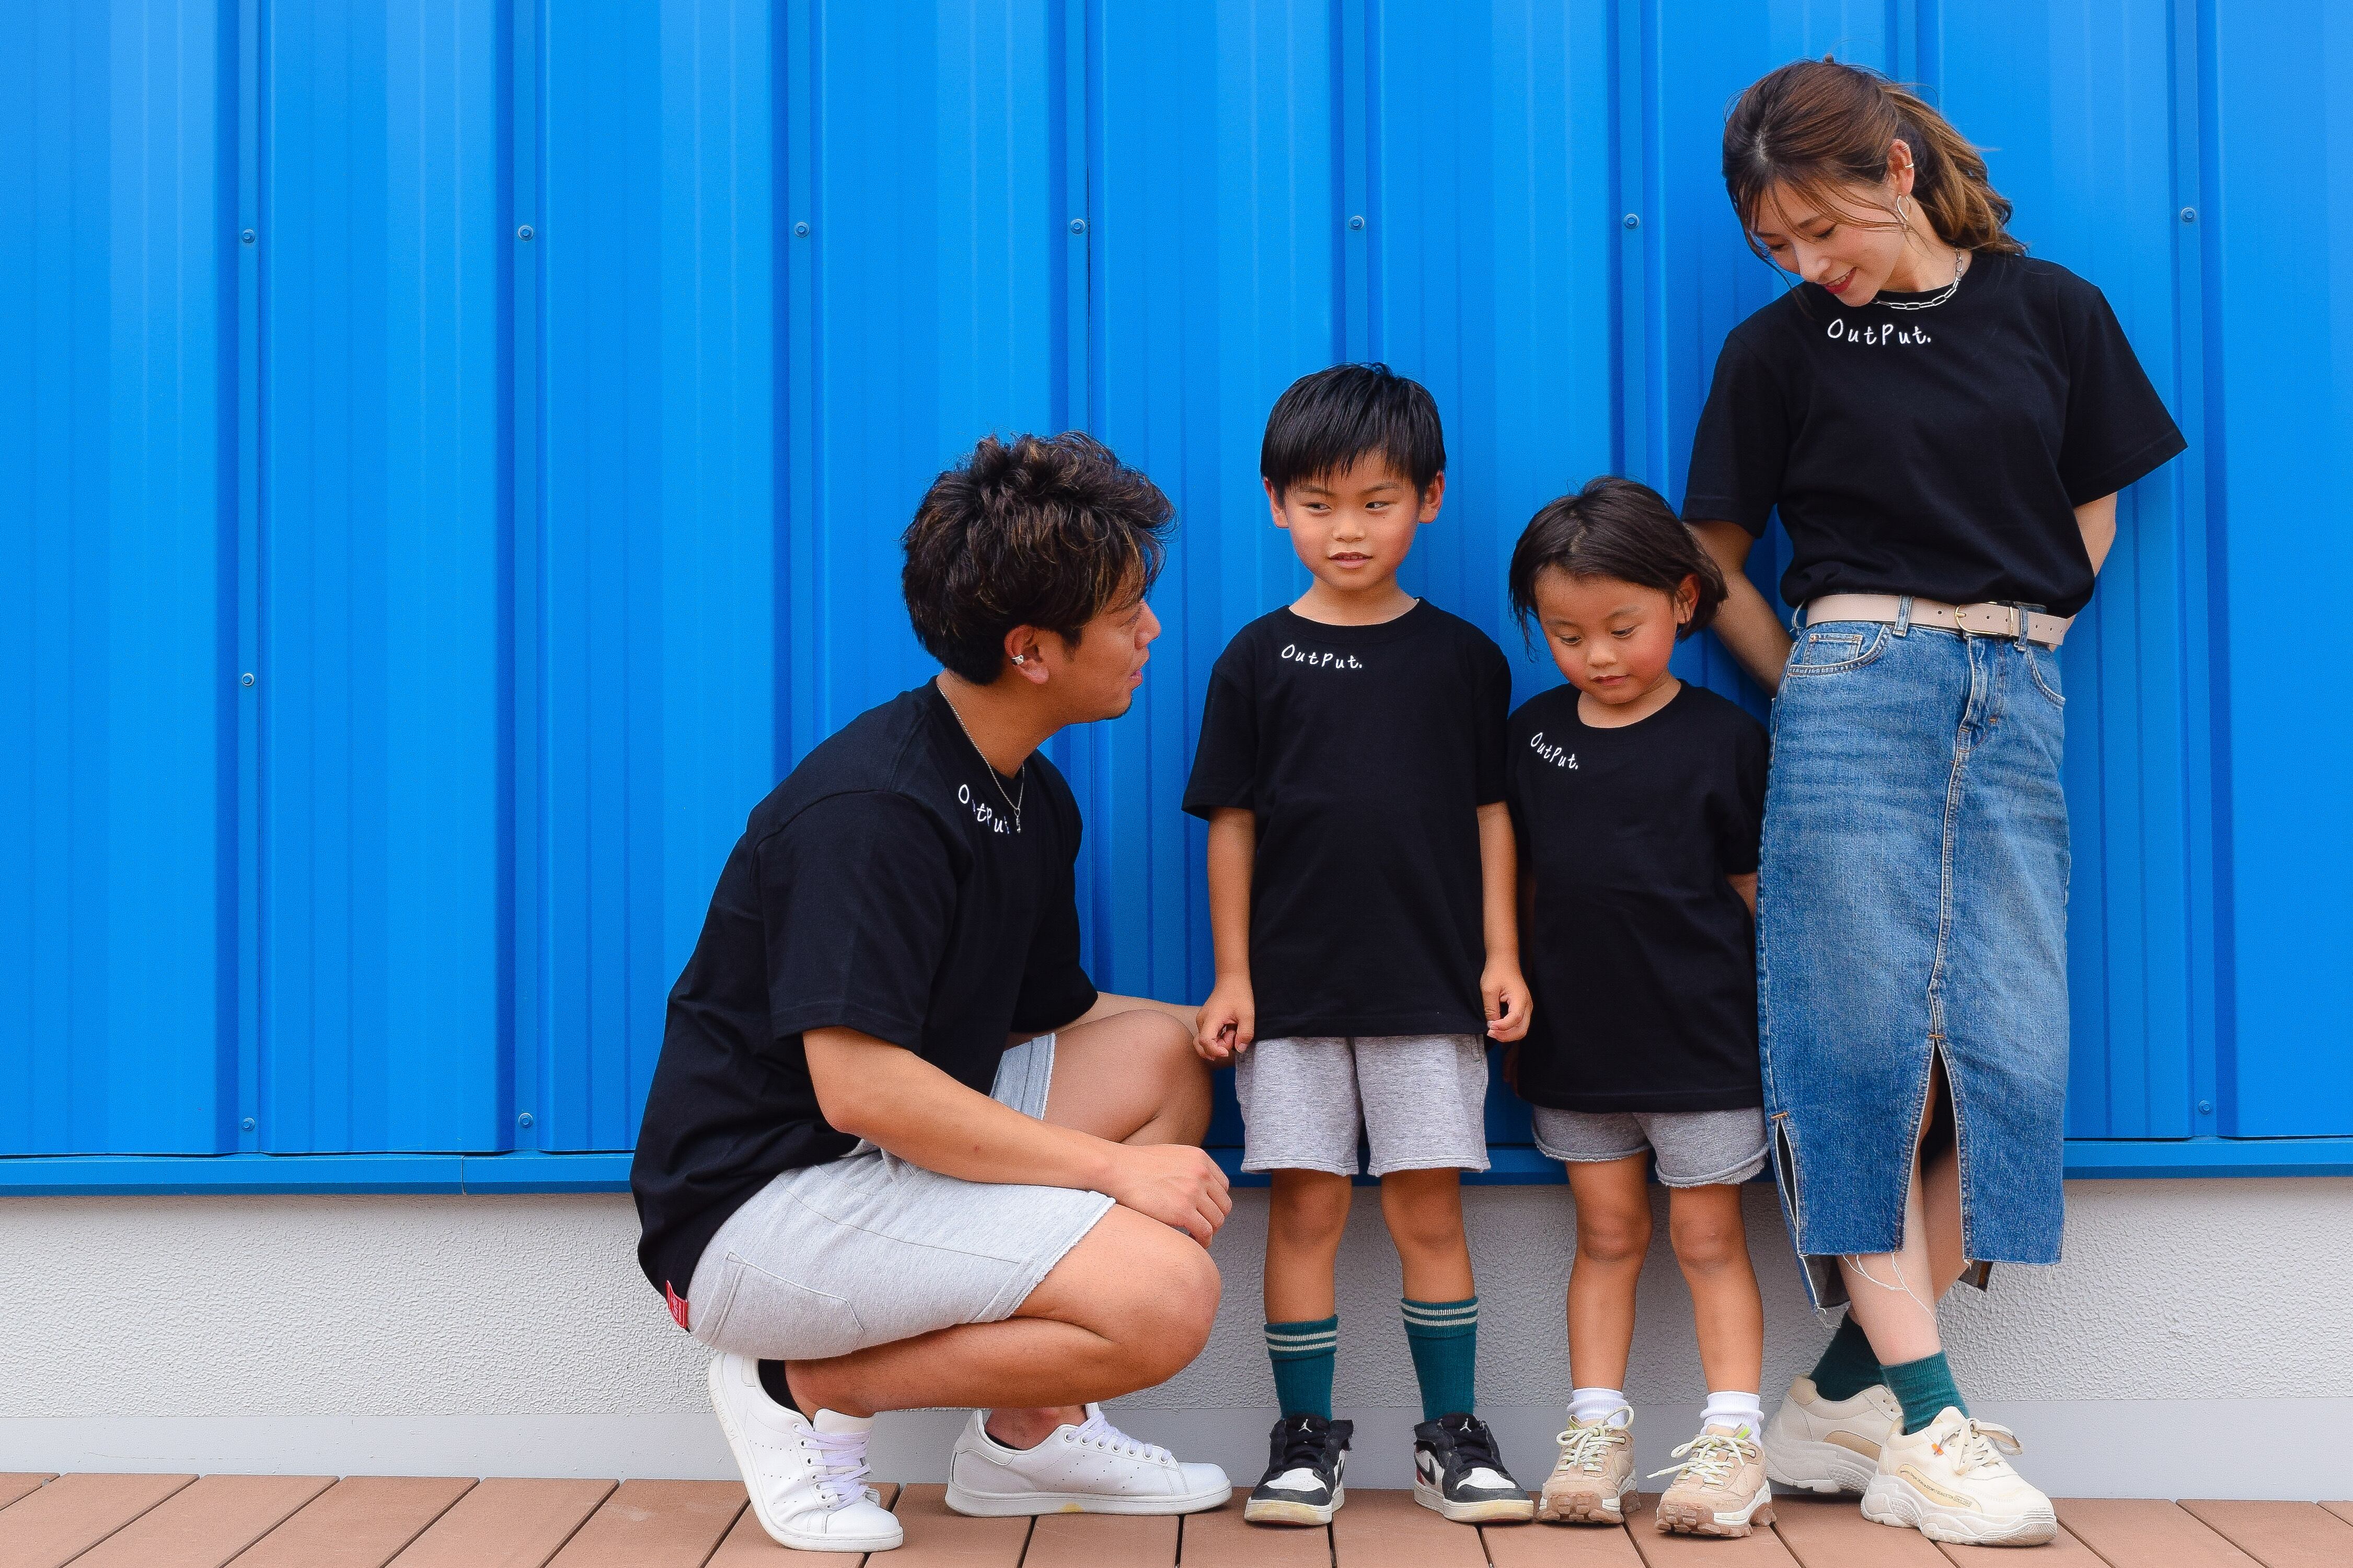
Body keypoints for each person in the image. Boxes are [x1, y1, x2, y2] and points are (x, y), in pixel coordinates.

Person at [1685, 59, 2186, 1548]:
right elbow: (1710, 557)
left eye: (1818, 228)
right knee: (1860, 1057)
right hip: (1852, 681)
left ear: (1894, 172)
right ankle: (1927, 1423)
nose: (1804, 264)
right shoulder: (1775, 350)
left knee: (2008, 1063)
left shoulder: (2052, 311)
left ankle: (1839, 1398)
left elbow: (2092, 499)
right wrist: (1810, 676)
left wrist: (2033, 621)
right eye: (1774, 245)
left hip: (2015, 689)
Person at [629, 433, 1236, 1553]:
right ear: (1032, 650)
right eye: (1126, 613)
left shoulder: (1026, 793)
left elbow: (1058, 1017)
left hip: (877, 1159)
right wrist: (1112, 1171)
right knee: (1164, 1297)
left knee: (1166, 1055)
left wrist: (1233, 1016)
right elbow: (859, 1088)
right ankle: (791, 1384)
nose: (1151, 630)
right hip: (758, 1209)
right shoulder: (875, 811)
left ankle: (1026, 1436)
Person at [1186, 363, 1536, 1527]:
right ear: (1276, 504)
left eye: (1377, 502)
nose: (1347, 528)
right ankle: (1301, 1440)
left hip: (1429, 992)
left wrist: (1500, 955)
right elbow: (1231, 825)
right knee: (1306, 1212)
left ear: (1427, 499)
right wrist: (1233, 974)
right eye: (1318, 503)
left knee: (1428, 1212)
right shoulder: (1253, 659)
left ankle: (1452, 1436)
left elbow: (1492, 816)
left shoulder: (1464, 658)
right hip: (1290, 1000)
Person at [1501, 479, 1774, 1538]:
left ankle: (1731, 1443)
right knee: (1606, 1234)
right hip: (1578, 1045)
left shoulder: (1725, 739)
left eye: (1622, 628)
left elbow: (1753, 894)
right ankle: (1594, 1431)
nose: (1598, 656)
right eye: (1566, 636)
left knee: (1707, 1238)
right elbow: (1520, 882)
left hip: (1703, 1044)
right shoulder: (1530, 737)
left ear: (1684, 602)